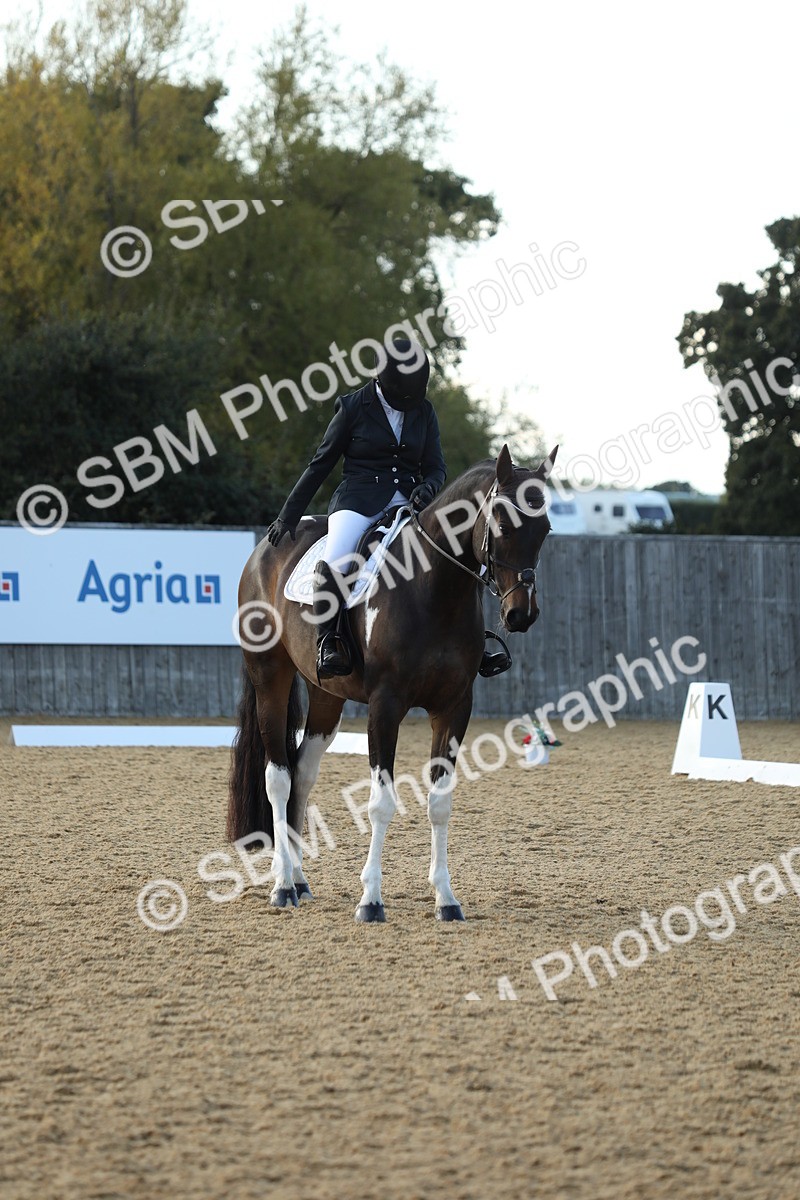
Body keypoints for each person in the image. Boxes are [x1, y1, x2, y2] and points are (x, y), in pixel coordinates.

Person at [266, 338, 445, 677]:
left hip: (410, 500)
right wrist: (288, 515)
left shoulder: (424, 411)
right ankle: (328, 640)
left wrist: (429, 486)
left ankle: (467, 639)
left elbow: (435, 466)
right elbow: (321, 464)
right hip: (359, 500)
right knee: (338, 556)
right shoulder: (352, 407)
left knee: (450, 549)